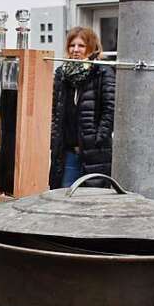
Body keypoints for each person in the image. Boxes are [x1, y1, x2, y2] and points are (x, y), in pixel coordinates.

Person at [49, 26, 116, 188]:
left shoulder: (102, 72)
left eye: (81, 46)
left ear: (91, 48)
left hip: (95, 151)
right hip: (68, 150)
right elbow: (54, 110)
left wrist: (98, 138)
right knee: (65, 195)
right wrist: (54, 136)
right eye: (72, 45)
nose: (76, 50)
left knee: (92, 199)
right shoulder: (61, 74)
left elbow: (110, 108)